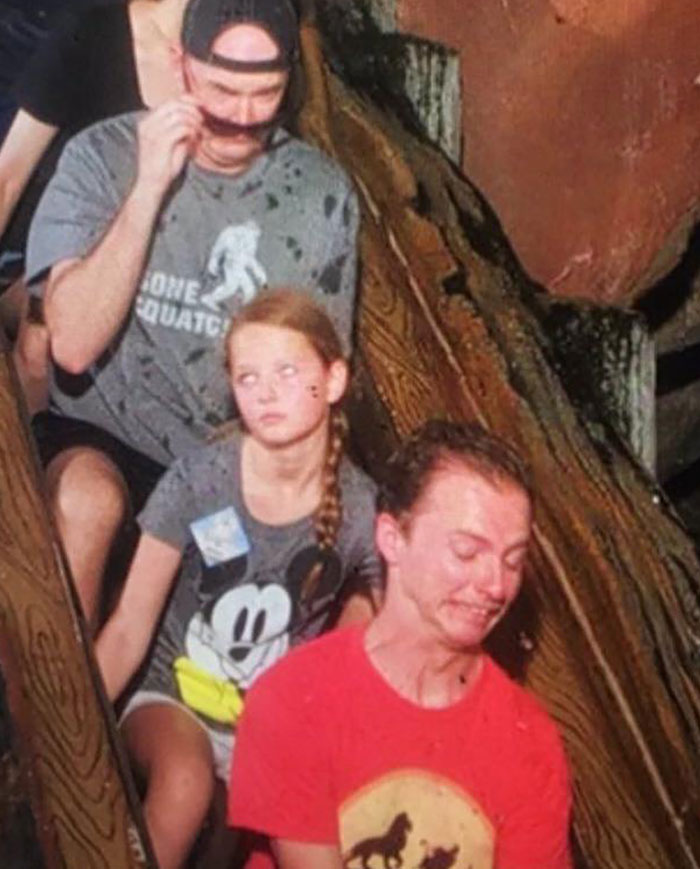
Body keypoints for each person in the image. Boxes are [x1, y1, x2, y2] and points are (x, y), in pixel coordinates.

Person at [24, 0, 359, 628]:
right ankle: (60, 720)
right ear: (181, 68)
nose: (241, 116)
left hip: (227, 453)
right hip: (106, 435)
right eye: (223, 90)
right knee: (87, 502)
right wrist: (150, 187)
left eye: (266, 94)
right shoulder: (104, 156)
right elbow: (70, 343)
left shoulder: (320, 195)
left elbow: (316, 378)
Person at [95, 289, 378, 869]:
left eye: (286, 370)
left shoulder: (359, 510)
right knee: (186, 783)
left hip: (266, 724)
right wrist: (72, 726)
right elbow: (127, 628)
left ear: (334, 379)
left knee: (274, 826)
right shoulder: (201, 479)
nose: (266, 391)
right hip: (169, 692)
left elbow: (384, 614)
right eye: (248, 378)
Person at [229, 419, 573, 869]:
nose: (495, 585)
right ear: (392, 540)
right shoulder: (294, 698)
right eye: (467, 552)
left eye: (513, 560)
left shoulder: (530, 743)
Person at [0, 0, 187, 404]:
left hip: (162, 277)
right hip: (39, 265)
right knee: (47, 322)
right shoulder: (95, 29)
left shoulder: (247, 59)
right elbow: (9, 175)